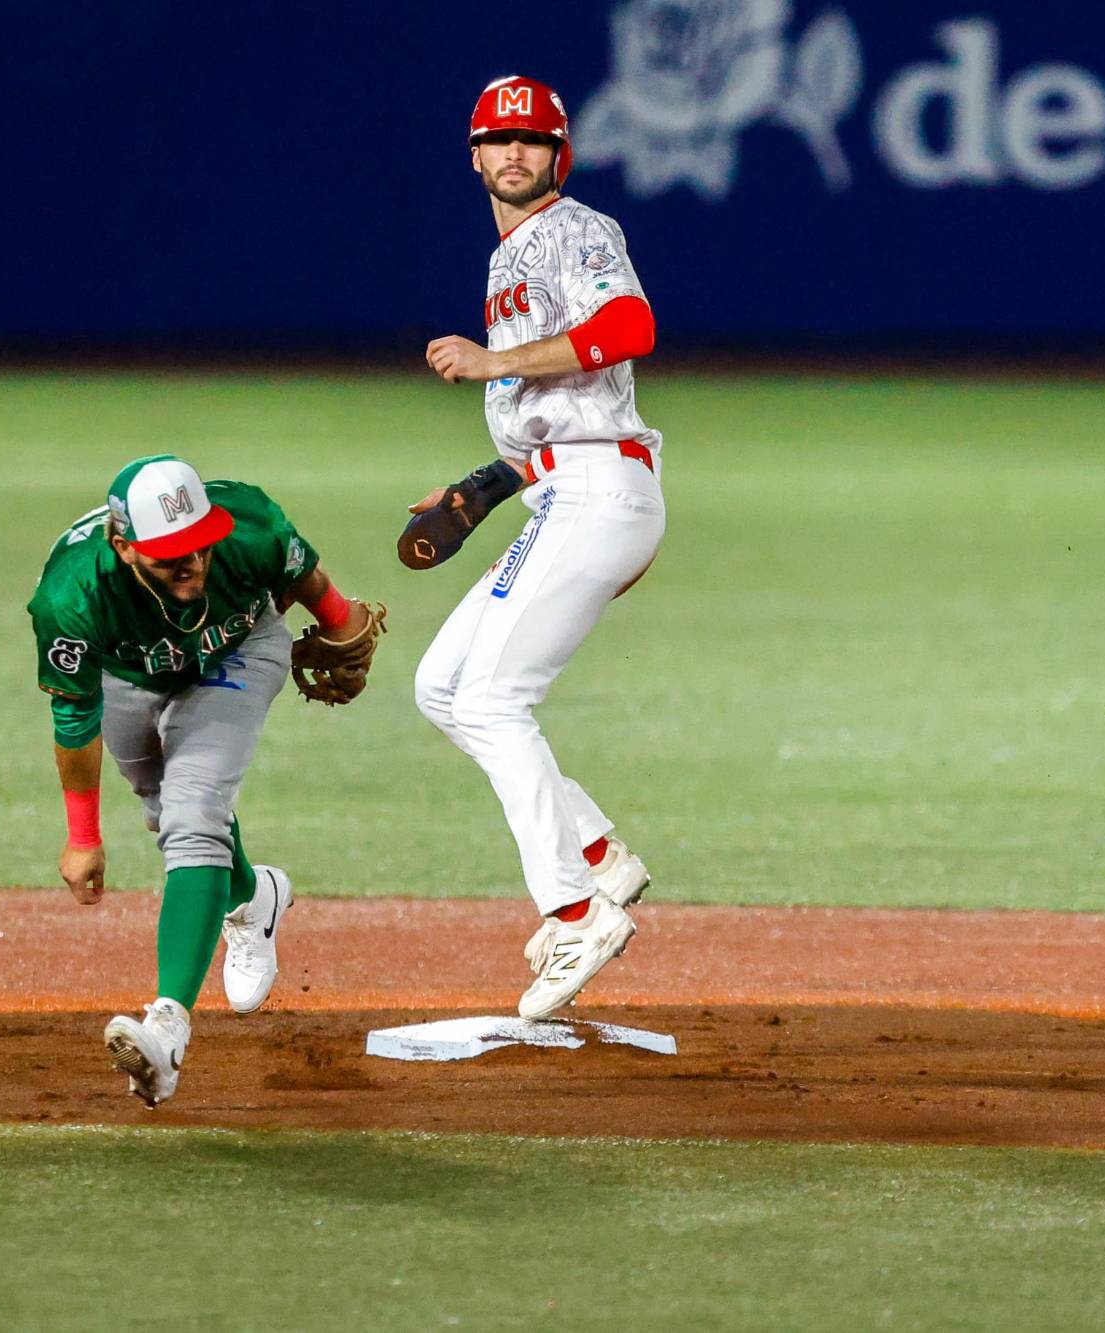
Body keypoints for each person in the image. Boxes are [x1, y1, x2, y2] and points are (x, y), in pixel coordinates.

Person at [408, 74, 664, 1021]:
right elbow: (548, 419)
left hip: (600, 488)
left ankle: (574, 912)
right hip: (564, 486)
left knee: (492, 695)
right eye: (497, 139)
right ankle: (600, 856)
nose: (514, 153)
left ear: (561, 155)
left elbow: (630, 326)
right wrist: (478, 487)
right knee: (443, 686)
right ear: (473, 155)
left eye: (532, 140)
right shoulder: (508, 252)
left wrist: (493, 360)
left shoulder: (575, 230)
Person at [28, 453, 384, 1106]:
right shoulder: (70, 596)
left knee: (194, 812)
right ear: (122, 543)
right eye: (169, 554)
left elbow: (312, 584)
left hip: (241, 651)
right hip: (128, 671)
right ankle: (252, 897)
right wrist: (82, 835)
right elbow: (74, 713)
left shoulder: (250, 529)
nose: (191, 563)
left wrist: (339, 624)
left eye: (199, 546)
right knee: (170, 808)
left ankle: (167, 1030)